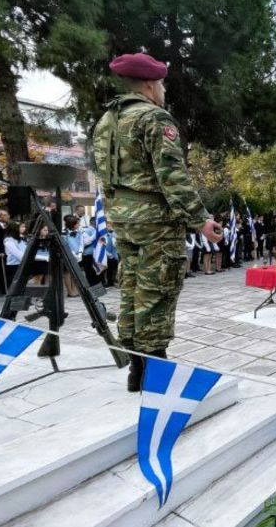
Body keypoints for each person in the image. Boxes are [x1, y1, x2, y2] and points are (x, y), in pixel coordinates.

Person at [91, 52, 222, 392]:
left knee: (132, 289)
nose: (164, 90)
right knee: (157, 291)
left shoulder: (106, 121)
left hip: (124, 220)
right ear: (149, 84)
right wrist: (201, 220)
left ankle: (136, 370)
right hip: (156, 222)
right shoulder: (153, 118)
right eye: (162, 84)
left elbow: (105, 177)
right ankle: (155, 374)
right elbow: (172, 175)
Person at [3, 221, 27, 287]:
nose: (24, 228)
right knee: (14, 285)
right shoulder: (9, 240)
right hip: (14, 265)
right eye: (21, 227)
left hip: (22, 263)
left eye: (24, 226)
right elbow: (18, 254)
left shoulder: (22, 238)